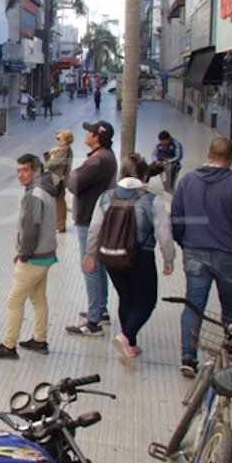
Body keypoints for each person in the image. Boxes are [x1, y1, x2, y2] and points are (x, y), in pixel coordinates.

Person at [171, 137, 232, 377]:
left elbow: (176, 217)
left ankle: (188, 357)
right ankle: (230, 353)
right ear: (231, 158)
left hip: (195, 252)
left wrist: (184, 242)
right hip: (231, 255)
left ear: (208, 154)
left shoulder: (187, 180)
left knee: (193, 304)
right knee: (230, 304)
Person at [83, 154, 175, 363]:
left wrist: (90, 254)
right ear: (144, 175)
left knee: (126, 297)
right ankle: (126, 335)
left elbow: (94, 229)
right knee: (146, 301)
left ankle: (130, 346)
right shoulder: (152, 200)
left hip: (111, 256)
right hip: (140, 256)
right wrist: (168, 258)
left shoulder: (105, 197)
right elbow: (164, 234)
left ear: (122, 173)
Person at [0, 154, 58, 359]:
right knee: (38, 299)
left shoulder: (34, 195)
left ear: (36, 170)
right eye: (18, 170)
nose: (20, 175)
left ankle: (8, 345)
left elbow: (32, 228)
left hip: (34, 257)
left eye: (25, 170)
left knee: (14, 301)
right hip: (46, 254)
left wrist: (24, 253)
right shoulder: (46, 189)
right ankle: (39, 339)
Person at [65, 120, 118, 337]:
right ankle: (100, 309)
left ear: (97, 136)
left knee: (90, 267)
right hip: (95, 217)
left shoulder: (98, 160)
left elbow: (72, 184)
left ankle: (93, 320)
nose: (86, 133)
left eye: (90, 131)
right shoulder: (104, 156)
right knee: (98, 267)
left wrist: (74, 172)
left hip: (89, 220)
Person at [45, 129, 73, 233]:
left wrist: (48, 157)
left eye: (59, 138)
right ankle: (59, 224)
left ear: (66, 140)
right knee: (58, 201)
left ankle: (60, 225)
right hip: (59, 179)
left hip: (58, 180)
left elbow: (51, 164)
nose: (57, 140)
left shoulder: (63, 151)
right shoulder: (62, 150)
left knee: (59, 201)